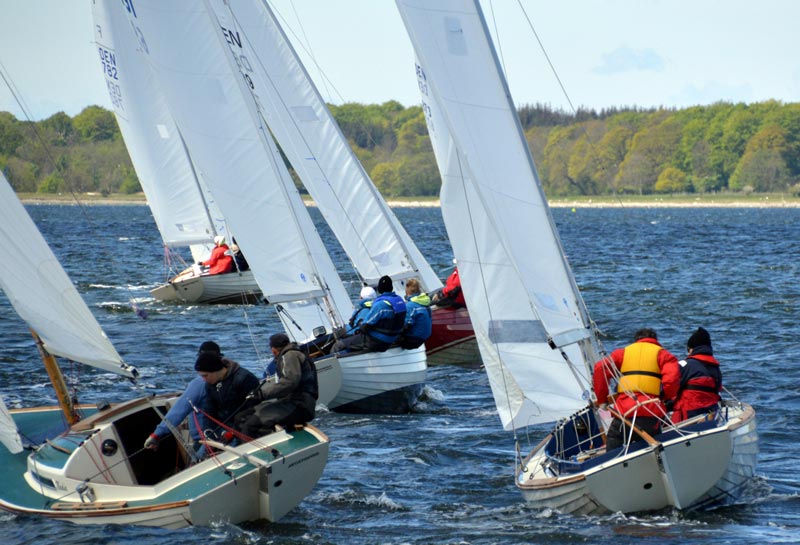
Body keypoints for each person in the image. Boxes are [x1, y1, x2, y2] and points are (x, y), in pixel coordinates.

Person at [592, 327, 680, 450]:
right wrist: (664, 396)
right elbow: (672, 380)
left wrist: (602, 400)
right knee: (653, 447)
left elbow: (599, 369)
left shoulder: (622, 353)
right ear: (655, 340)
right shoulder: (664, 355)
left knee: (614, 446)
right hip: (651, 410)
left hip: (624, 412)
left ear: (636, 340)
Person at [235, 333, 318, 438]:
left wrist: (261, 394)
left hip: (300, 405)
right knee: (242, 416)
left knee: (251, 424)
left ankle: (257, 449)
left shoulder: (290, 355)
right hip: (294, 403)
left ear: (273, 350)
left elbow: (289, 382)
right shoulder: (293, 353)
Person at [143, 341, 220, 455]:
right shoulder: (227, 378)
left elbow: (179, 411)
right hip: (225, 436)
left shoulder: (199, 383)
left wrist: (157, 434)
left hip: (208, 441)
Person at [194, 343, 259, 433]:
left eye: (205, 376)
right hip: (223, 428)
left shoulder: (244, 378)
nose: (204, 380)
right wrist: (208, 432)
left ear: (215, 370)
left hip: (245, 428)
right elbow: (209, 410)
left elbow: (254, 407)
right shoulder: (210, 384)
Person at [332, 275, 407, 353]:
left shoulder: (380, 305)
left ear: (380, 289)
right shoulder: (400, 302)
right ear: (391, 288)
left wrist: (359, 329)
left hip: (377, 341)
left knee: (338, 345)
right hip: (391, 339)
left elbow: (365, 325)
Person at [671, 327, 722, 423]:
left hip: (688, 419)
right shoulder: (716, 368)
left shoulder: (685, 365)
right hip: (710, 416)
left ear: (691, 349)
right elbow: (718, 390)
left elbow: (669, 386)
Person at [398, 278, 432, 349]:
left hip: (413, 340)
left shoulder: (410, 306)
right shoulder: (425, 302)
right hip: (424, 337)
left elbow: (406, 324)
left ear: (407, 290)